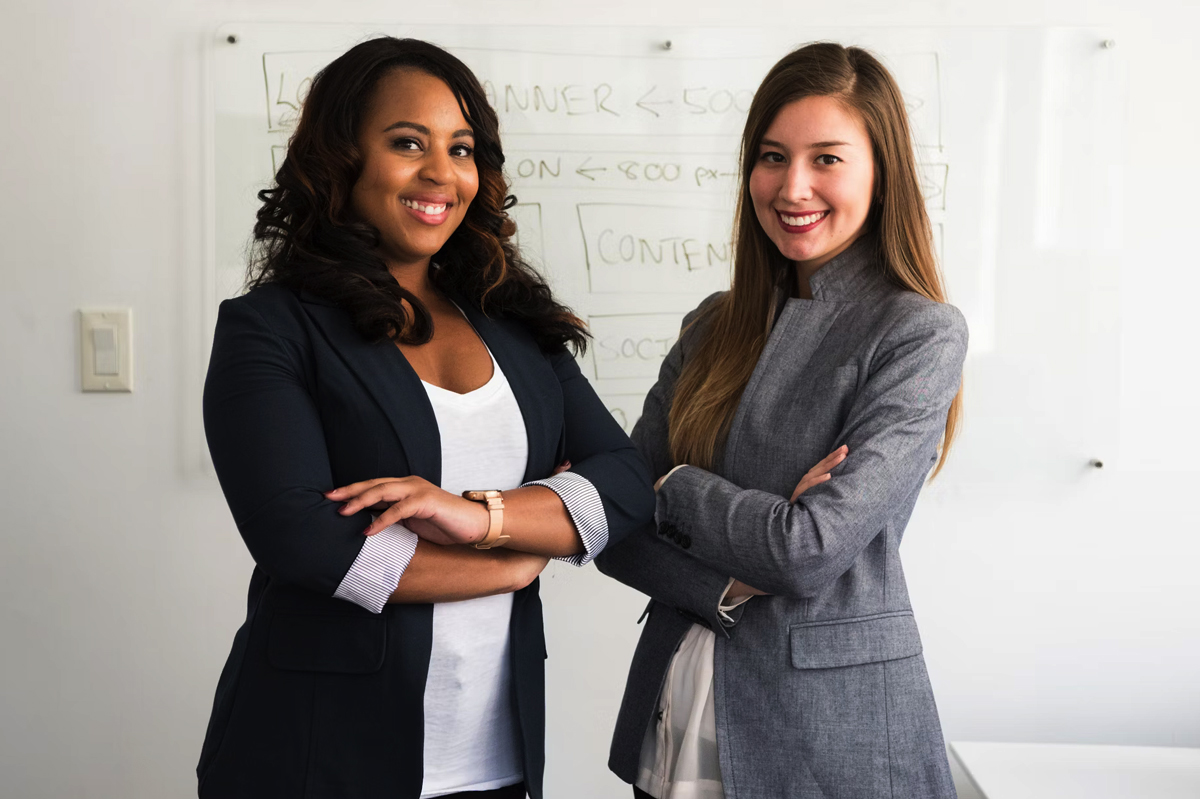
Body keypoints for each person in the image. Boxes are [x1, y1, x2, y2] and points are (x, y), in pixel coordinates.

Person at [196, 37, 655, 799]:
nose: (442, 173)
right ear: (343, 158)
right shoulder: (272, 327)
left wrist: (479, 519)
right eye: (408, 143)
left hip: (496, 760)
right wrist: (509, 562)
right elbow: (304, 539)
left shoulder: (515, 327)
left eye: (462, 148)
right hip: (317, 756)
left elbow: (626, 484)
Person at [595, 42, 967, 799]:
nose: (793, 186)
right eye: (772, 156)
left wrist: (671, 483)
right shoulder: (712, 324)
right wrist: (729, 579)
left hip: (829, 735)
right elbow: (613, 524)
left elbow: (808, 549)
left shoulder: (918, 332)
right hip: (675, 706)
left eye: (826, 158)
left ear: (880, 169)